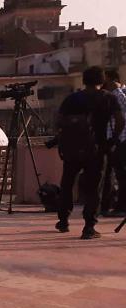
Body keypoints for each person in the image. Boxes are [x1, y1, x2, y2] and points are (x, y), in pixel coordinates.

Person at [55, 66, 125, 239]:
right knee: (94, 188)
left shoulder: (73, 98)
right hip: (97, 149)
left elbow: (59, 121)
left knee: (67, 183)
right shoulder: (108, 98)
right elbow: (120, 120)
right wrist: (112, 141)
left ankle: (63, 220)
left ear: (84, 80)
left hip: (73, 149)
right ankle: (89, 227)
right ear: (102, 81)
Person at [101, 68, 126, 217]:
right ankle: (116, 205)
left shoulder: (118, 95)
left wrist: (115, 140)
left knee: (121, 175)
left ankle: (121, 207)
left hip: (120, 140)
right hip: (117, 139)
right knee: (118, 175)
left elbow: (121, 119)